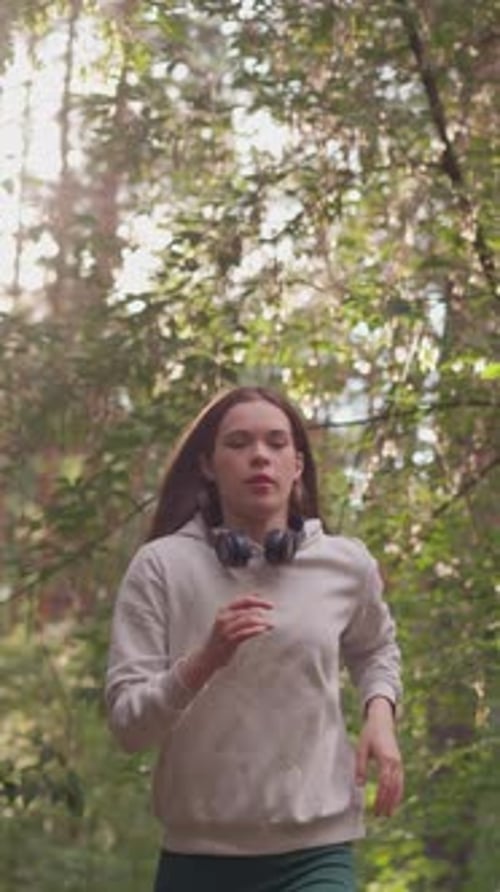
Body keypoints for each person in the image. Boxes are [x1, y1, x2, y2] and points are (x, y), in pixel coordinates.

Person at [105, 385, 403, 892]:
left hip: (316, 851)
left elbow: (375, 648)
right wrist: (205, 660)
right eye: (239, 443)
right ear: (207, 465)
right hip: (197, 858)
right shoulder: (161, 567)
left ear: (297, 466)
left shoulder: (345, 564)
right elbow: (129, 727)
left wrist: (380, 712)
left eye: (276, 443)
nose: (260, 456)